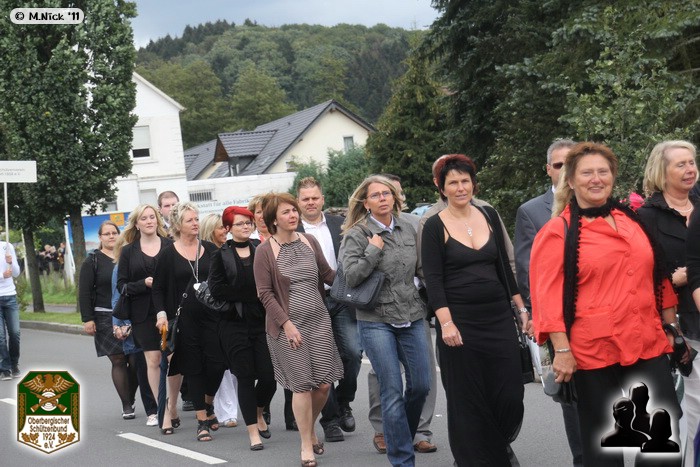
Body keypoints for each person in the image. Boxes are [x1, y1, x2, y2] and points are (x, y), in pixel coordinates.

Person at [530, 142, 683, 466]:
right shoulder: (558, 231)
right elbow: (546, 297)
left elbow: (657, 275)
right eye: (587, 173)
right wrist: (562, 350)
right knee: (605, 452)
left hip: (646, 343)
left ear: (613, 176)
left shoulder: (631, 220)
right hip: (594, 353)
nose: (596, 179)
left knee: (661, 444)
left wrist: (670, 326)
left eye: (603, 171)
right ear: (571, 180)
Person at [421, 155, 527, 465]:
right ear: (442, 188)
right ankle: (476, 458)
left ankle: (494, 445)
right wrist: (446, 323)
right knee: (468, 399)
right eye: (452, 182)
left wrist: (522, 309)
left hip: (498, 318)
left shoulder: (489, 214)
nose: (460, 187)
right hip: (460, 323)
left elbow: (504, 267)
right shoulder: (433, 225)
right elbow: (433, 280)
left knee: (510, 395)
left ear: (473, 184)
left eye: (465, 181)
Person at [340, 175, 431, 467]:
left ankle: (400, 434)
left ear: (394, 198)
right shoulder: (357, 234)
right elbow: (351, 277)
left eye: (386, 194)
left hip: (412, 315)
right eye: (375, 195)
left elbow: (422, 269)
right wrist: (373, 250)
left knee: (421, 385)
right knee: (391, 389)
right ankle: (403, 459)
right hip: (376, 319)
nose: (382, 198)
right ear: (365, 203)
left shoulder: (409, 228)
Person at [254, 192, 342, 467]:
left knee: (324, 384)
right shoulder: (264, 251)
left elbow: (328, 275)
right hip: (288, 327)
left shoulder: (309, 240)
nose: (293, 215)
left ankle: (309, 427)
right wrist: (287, 324)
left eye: (294, 210)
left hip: (319, 321)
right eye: (286, 212)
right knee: (302, 387)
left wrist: (358, 280)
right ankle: (306, 443)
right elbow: (265, 294)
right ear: (273, 220)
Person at [514, 138, 583, 466]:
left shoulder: (601, 204)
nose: (565, 170)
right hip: (562, 322)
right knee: (573, 398)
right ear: (548, 170)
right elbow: (529, 269)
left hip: (604, 319)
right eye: (559, 165)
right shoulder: (531, 211)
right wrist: (533, 313)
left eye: (571, 163)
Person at [638, 140, 699, 464]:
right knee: (691, 412)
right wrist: (676, 279)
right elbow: (641, 276)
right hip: (678, 325)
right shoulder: (645, 218)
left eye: (692, 162)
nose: (690, 169)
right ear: (661, 172)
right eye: (681, 164)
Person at [369, 174, 438, 455]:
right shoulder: (363, 229)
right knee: (385, 374)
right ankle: (383, 428)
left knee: (423, 374)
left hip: (413, 307)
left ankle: (420, 430)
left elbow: (426, 266)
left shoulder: (415, 224)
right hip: (379, 314)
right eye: (381, 193)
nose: (387, 198)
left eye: (392, 192)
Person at [153, 202, 226, 441]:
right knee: (194, 368)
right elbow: (158, 288)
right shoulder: (168, 254)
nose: (195, 223)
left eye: (196, 219)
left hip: (213, 317)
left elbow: (222, 280)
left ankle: (208, 403)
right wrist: (161, 314)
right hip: (185, 320)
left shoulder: (210, 249)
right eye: (189, 220)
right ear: (177, 225)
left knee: (217, 364)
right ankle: (202, 420)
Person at [296, 176, 361, 443]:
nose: (311, 202)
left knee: (353, 353)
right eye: (305, 199)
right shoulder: (293, 230)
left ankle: (344, 401)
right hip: (311, 301)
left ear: (322, 199)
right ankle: (330, 420)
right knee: (322, 362)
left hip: (341, 297)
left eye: (315, 198)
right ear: (298, 202)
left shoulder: (340, 225)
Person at [209, 206, 277, 451]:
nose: (246, 227)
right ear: (228, 228)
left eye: (248, 222)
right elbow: (217, 290)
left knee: (269, 378)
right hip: (233, 324)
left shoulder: (261, 249)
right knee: (245, 377)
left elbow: (271, 282)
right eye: (239, 223)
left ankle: (258, 411)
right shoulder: (220, 256)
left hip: (262, 323)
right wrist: (253, 294)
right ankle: (252, 432)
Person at [115, 204, 172, 428]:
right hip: (142, 313)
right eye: (144, 218)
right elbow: (121, 285)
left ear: (157, 220)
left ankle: (172, 404)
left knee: (173, 358)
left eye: (152, 217)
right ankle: (161, 409)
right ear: (137, 224)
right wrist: (143, 284)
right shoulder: (129, 251)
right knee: (153, 360)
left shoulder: (169, 245)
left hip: (169, 309)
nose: (149, 221)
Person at [79, 221, 138, 418]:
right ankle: (126, 405)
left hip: (130, 314)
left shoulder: (128, 256)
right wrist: (88, 319)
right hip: (104, 315)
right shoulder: (92, 261)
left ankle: (130, 395)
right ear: (100, 237)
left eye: (114, 232)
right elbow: (84, 292)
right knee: (118, 359)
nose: (111, 236)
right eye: (107, 233)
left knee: (136, 360)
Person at [200, 212, 240, 429]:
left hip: (234, 313)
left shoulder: (232, 250)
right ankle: (225, 410)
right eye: (220, 227)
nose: (225, 231)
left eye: (226, 227)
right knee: (220, 364)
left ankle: (227, 406)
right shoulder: (205, 254)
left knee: (233, 363)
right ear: (210, 230)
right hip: (211, 314)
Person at [111, 264, 159, 424]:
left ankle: (171, 405)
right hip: (138, 320)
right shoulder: (124, 263)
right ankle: (152, 410)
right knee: (144, 365)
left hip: (163, 315)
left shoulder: (165, 253)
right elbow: (118, 295)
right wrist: (119, 323)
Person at [0, 234, 21, 380]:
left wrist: (11, 262)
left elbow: (16, 273)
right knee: (1, 337)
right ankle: (5, 368)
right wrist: (2, 275)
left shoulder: (7, 246)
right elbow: (5, 275)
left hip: (10, 296)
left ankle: (14, 364)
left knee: (15, 333)